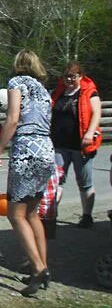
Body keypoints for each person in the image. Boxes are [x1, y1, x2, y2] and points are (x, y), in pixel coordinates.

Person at [0, 50, 55, 296]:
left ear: (17, 64)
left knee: (16, 214)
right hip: (46, 149)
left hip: (26, 151)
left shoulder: (17, 83)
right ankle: (43, 264)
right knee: (32, 213)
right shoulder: (43, 89)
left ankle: (38, 268)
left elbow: (13, 119)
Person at [50, 61, 102, 228]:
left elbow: (96, 113)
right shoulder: (58, 92)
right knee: (57, 181)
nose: (69, 80)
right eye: (66, 77)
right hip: (60, 144)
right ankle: (52, 215)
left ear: (80, 76)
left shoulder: (89, 92)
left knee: (84, 182)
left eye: (72, 76)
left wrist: (89, 132)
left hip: (81, 145)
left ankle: (87, 216)